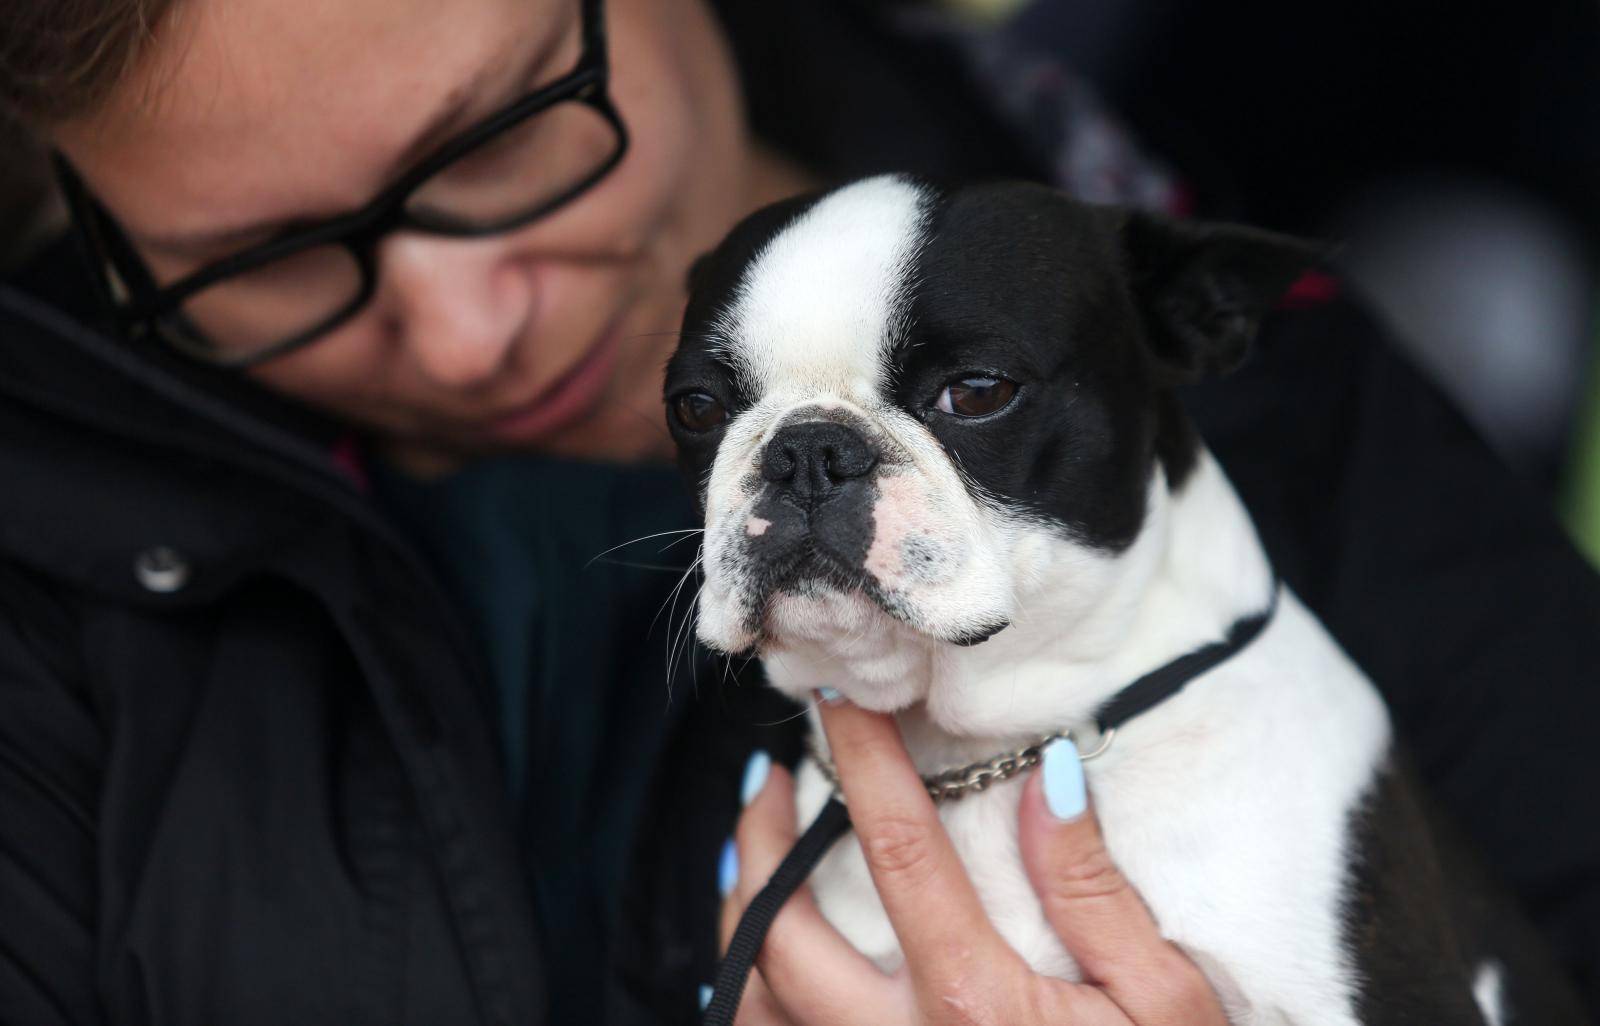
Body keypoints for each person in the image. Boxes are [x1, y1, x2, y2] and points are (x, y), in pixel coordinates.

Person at [1, 1, 1598, 1024]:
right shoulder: (43, 555)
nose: (463, 320)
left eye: (497, 140)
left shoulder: (1251, 375)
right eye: (256, 259)